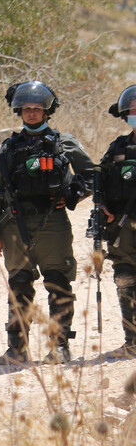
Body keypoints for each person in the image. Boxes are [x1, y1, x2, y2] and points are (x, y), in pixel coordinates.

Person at [0, 82, 95, 365]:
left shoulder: (64, 143)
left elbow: (93, 176)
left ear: (47, 111)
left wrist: (72, 195)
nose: (31, 113)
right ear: (18, 111)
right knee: (19, 286)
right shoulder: (9, 147)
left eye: (37, 109)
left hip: (52, 224)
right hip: (15, 225)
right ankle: (17, 350)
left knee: (58, 283)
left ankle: (60, 347)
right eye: (26, 109)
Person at [97, 85, 136, 357]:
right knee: (125, 279)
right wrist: (102, 207)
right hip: (123, 226)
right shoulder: (118, 148)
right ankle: (132, 342)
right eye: (133, 110)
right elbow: (100, 179)